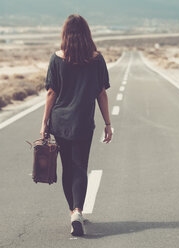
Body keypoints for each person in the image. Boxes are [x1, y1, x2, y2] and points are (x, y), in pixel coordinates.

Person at [40, 14, 113, 236]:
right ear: (86, 34)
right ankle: (78, 213)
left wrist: (44, 123)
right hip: (83, 121)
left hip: (60, 121)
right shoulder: (96, 59)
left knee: (67, 168)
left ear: (65, 34)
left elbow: (51, 92)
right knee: (80, 167)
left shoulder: (56, 59)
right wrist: (107, 123)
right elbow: (101, 93)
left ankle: (73, 211)